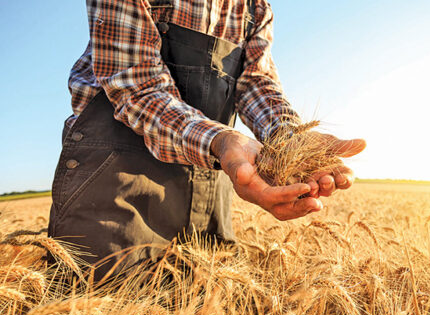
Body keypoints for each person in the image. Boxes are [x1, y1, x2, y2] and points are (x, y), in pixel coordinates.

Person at [48, 0, 366, 281]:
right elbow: (137, 85)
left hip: (210, 181)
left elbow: (257, 84)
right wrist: (221, 139)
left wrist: (289, 138)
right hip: (115, 181)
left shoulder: (255, 8)